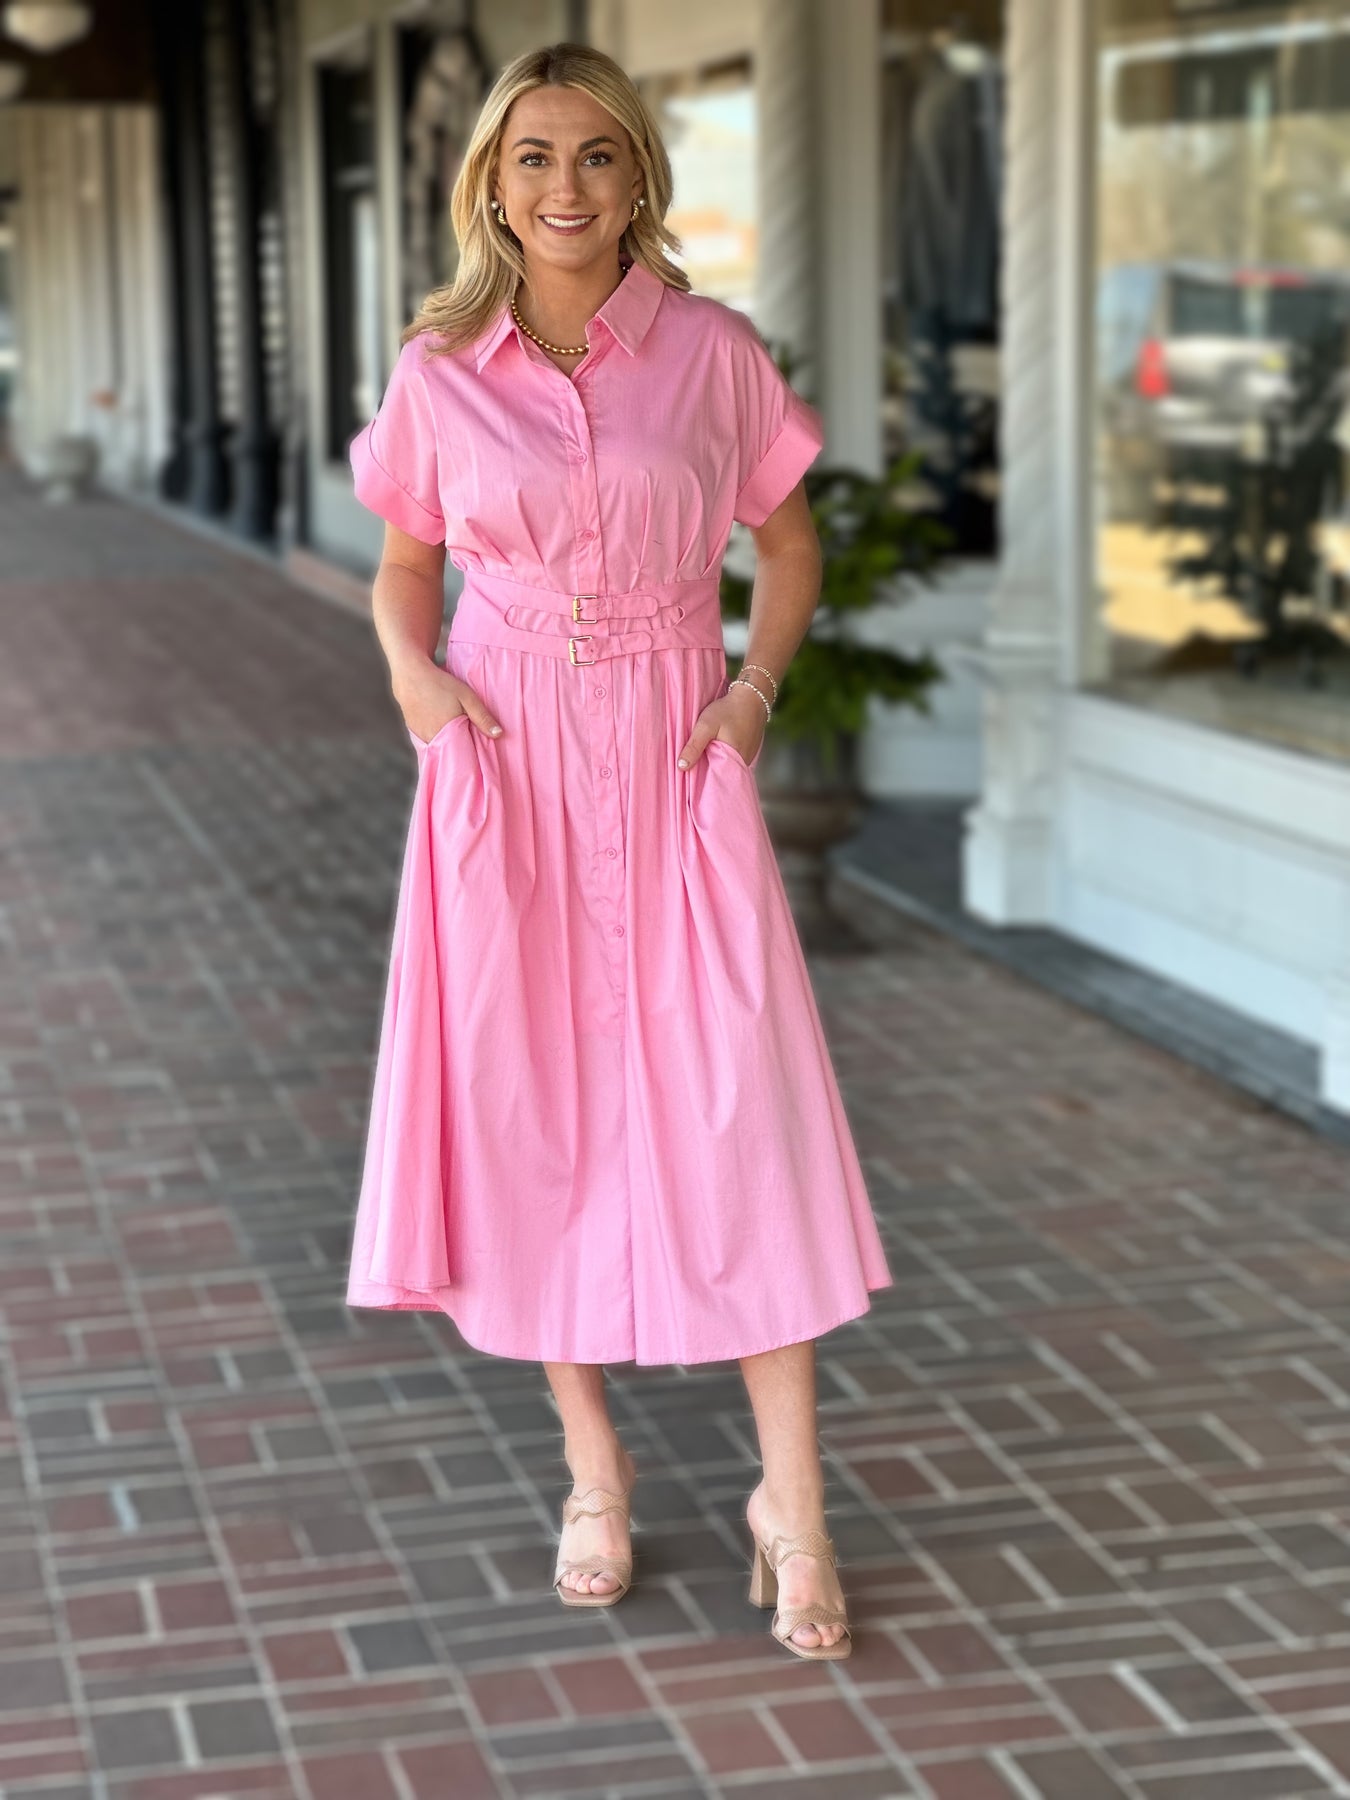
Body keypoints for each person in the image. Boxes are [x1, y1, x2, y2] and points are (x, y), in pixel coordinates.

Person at [344, 40, 893, 1661]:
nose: (564, 185)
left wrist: (750, 697)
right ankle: (594, 1470)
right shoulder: (438, 368)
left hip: (671, 749)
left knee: (741, 1105)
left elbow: (786, 542)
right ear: (491, 185)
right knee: (526, 1103)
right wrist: (416, 682)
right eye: (531, 157)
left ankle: (793, 1503)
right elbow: (404, 564)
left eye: (594, 154)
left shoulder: (710, 353)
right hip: (504, 755)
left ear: (638, 174)